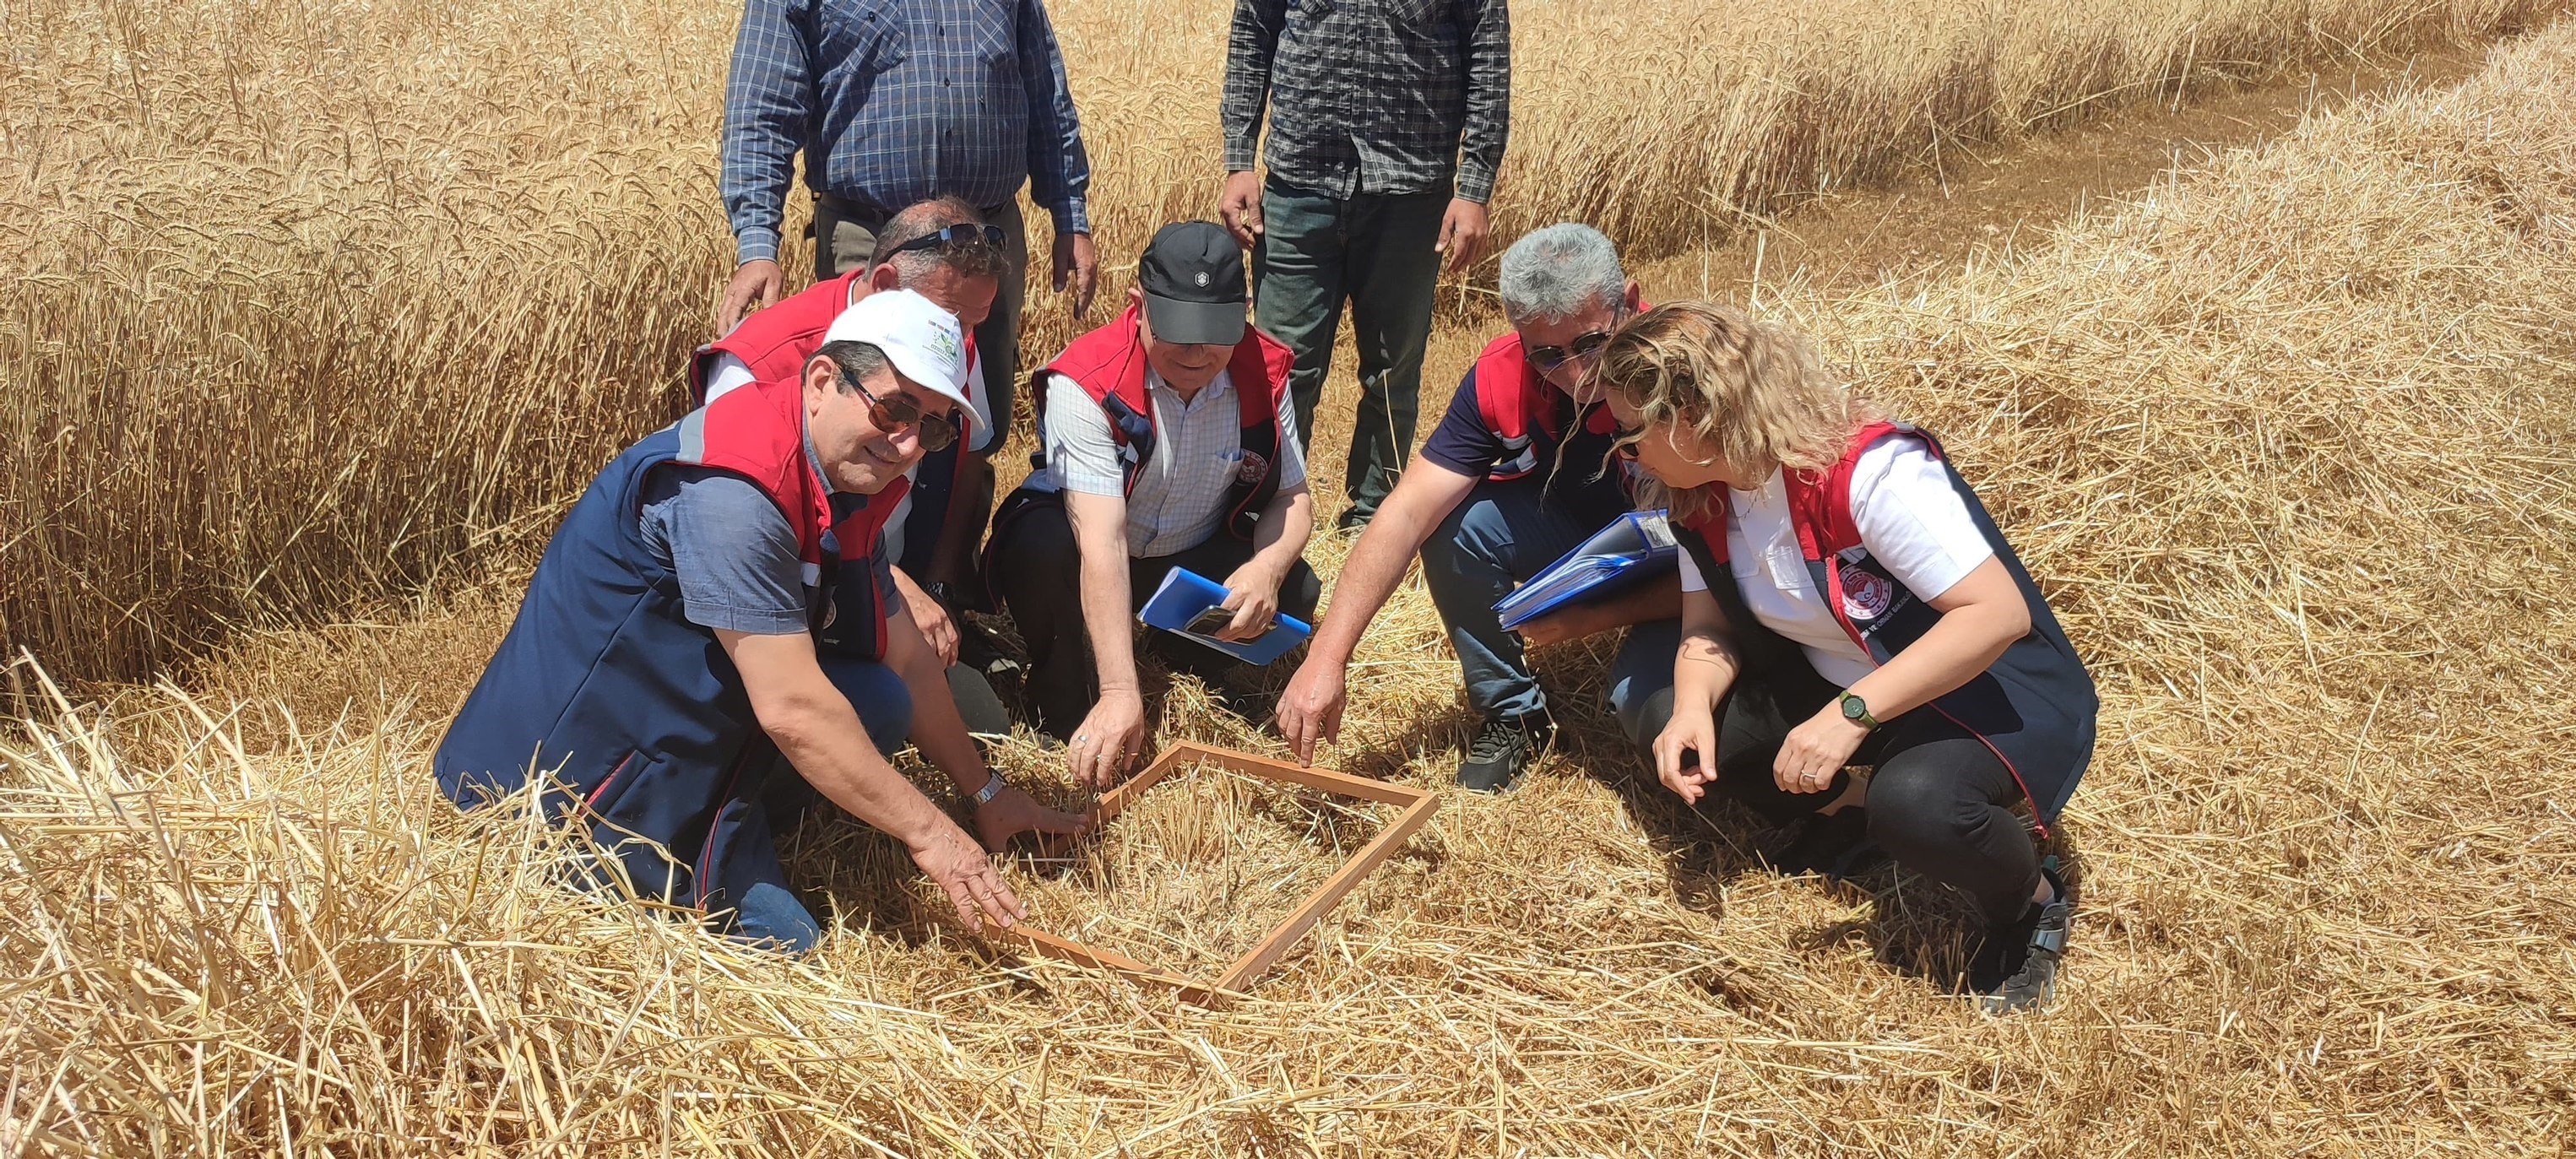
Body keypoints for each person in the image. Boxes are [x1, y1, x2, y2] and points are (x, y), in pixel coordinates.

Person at [437, 290, 1087, 953]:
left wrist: (986, 790)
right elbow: (793, 708)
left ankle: (732, 818)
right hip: (564, 784)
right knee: (789, 944)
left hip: (690, 718)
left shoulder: (848, 473)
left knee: (880, 700)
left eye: (935, 427)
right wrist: (932, 834)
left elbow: (907, 656)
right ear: (822, 380)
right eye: (894, 409)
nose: (909, 443)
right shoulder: (733, 496)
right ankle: (666, 853)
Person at [1594, 301, 2099, 1012]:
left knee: (1921, 803)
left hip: (1980, 684)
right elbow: (1706, 622)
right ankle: (1848, 808)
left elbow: (1996, 615)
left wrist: (1849, 714)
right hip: (1841, 682)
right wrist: (1689, 705)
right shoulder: (1698, 494)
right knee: (1668, 721)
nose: (1623, 450)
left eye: (1629, 430)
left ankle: (2030, 897)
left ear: (1692, 415)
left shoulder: (1867, 472)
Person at [1276, 225, 1675, 792]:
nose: (1575, 372)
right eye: (1546, 354)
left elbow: (1739, 562)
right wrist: (1327, 656)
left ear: (1630, 303)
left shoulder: (1688, 366)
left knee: (1651, 713)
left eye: (1590, 343)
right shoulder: (1499, 374)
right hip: (1589, 540)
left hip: (1694, 562)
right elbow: (1406, 512)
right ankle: (1514, 713)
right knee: (1458, 525)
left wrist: (1590, 620)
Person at [984, 221, 1321, 788]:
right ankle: (1063, 692)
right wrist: (1120, 691)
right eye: (1179, 331)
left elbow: (1292, 495)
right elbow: (1102, 539)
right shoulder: (1085, 381)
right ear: (1137, 306)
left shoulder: (1265, 370)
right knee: (1037, 548)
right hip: (1092, 552)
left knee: (1297, 587)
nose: (1197, 352)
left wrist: (1264, 568)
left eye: (1216, 331)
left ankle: (1184, 650)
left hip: (1188, 552)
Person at [718, 0, 1103, 451]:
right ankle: (866, 523)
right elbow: (763, 111)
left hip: (986, 243)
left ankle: (961, 518)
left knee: (975, 428)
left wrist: (1069, 214)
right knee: (873, 420)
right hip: (874, 241)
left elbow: (1045, 92)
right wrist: (759, 243)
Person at [697, 197, 1013, 726]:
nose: (960, 343)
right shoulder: (757, 360)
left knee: (986, 725)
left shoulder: (953, 339)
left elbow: (965, 463)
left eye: (974, 324)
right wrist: (889, 583)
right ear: (887, 284)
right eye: (955, 319)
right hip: (779, 613)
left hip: (881, 592)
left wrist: (934, 586)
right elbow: (738, 537)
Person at [1221, 0, 1510, 530]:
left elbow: (1488, 54)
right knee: (1281, 369)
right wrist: (1239, 159)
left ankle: (1376, 519)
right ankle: (1268, 515)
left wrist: (1474, 188)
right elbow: (1252, 32)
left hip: (1412, 186)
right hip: (1299, 179)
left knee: (1393, 368)